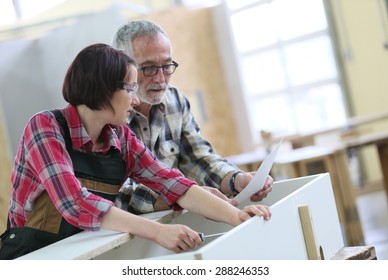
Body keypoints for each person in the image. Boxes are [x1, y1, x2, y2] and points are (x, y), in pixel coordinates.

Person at [0, 43, 271, 260]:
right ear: (102, 86)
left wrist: (237, 216)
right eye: (129, 88)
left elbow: (173, 183)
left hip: (83, 251)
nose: (136, 98)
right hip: (31, 257)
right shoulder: (45, 127)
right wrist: (158, 232)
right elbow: (74, 203)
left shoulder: (121, 137)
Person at [111, 19, 273, 214]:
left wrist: (236, 180)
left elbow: (198, 158)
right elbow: (116, 192)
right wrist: (183, 196)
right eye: (149, 68)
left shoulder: (176, 100)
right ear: (124, 69)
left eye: (167, 66)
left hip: (175, 221)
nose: (161, 78)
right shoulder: (109, 115)